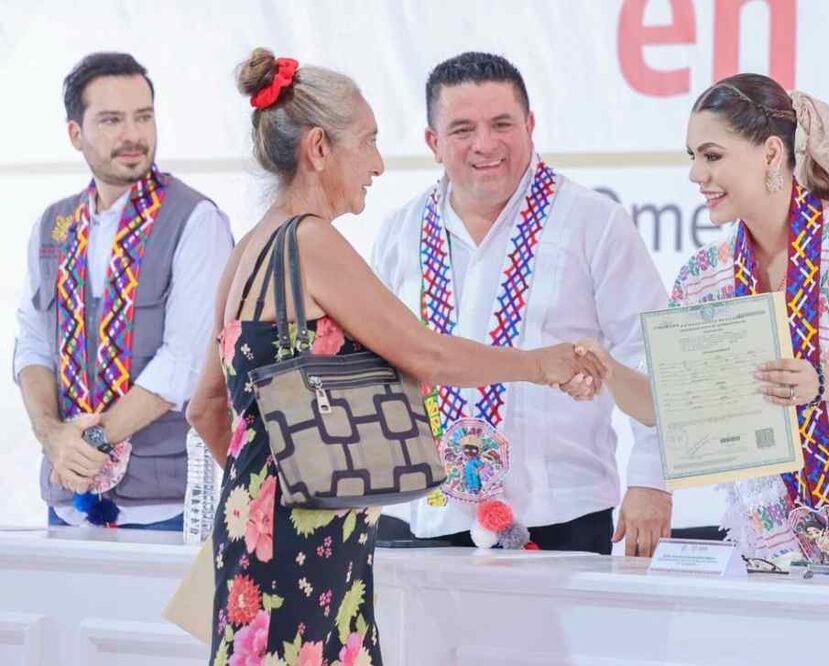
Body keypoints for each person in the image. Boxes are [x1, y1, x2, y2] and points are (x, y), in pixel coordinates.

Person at [185, 49, 605, 665]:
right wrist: (541, 364)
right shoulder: (311, 241)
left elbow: (204, 408)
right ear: (320, 148)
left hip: (254, 532)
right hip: (313, 541)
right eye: (370, 142)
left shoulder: (247, 249)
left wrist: (266, 490)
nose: (379, 164)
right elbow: (425, 354)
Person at [576, 73, 829, 571]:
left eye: (712, 155)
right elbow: (668, 410)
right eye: (692, 157)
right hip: (778, 549)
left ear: (771, 153)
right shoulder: (704, 277)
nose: (696, 175)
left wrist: (826, 381)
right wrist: (608, 370)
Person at [371, 52, 672, 557]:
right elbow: (376, 362)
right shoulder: (400, 232)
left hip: (561, 515)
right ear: (433, 142)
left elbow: (653, 354)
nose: (485, 145)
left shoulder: (593, 221)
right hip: (421, 511)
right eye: (463, 129)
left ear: (531, 126)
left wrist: (651, 479)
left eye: (502, 124)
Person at [14, 52, 233, 529]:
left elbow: (185, 363)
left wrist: (87, 446)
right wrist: (53, 437)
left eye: (143, 117)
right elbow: (32, 345)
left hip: (167, 508)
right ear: (76, 134)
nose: (133, 134)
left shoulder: (196, 221)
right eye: (111, 120)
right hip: (67, 505)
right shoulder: (54, 226)